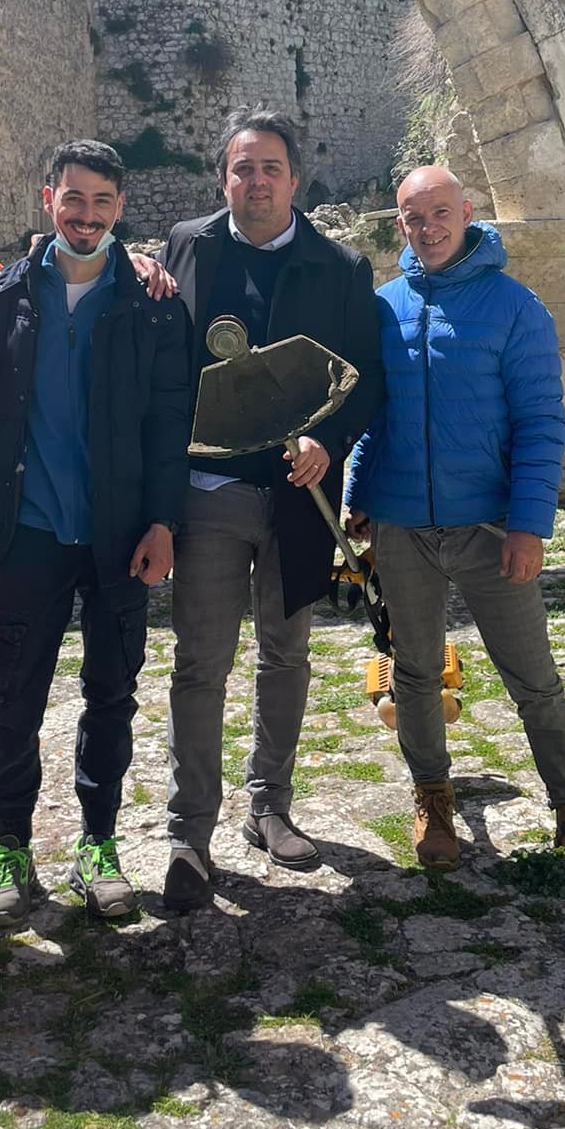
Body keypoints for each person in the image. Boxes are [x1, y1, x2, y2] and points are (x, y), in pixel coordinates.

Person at [345, 166, 565, 891]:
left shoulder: (516, 308)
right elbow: (372, 417)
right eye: (414, 218)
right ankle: (434, 803)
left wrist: (529, 526)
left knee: (533, 680)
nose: (429, 228)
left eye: (440, 213)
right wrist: (356, 495)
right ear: (400, 224)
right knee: (413, 673)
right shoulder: (385, 308)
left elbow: (541, 424)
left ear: (467, 212)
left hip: (489, 527)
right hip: (403, 525)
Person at [160, 107, 385, 911]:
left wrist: (332, 440)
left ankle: (270, 807)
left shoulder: (339, 266)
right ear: (223, 175)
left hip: (299, 499)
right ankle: (190, 828)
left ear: (295, 177)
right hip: (211, 492)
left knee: (286, 655)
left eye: (271, 169)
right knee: (201, 660)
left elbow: (368, 380)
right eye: (241, 168)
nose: (256, 182)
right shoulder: (187, 247)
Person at [0, 140, 190, 927]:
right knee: (12, 696)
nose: (86, 214)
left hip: (118, 534)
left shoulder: (154, 303)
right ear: (47, 199)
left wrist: (164, 522)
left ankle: (98, 845)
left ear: (120, 209)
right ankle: (10, 846)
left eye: (102, 202)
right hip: (31, 529)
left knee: (112, 695)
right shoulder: (3, 295)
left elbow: (171, 423)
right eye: (74, 199)